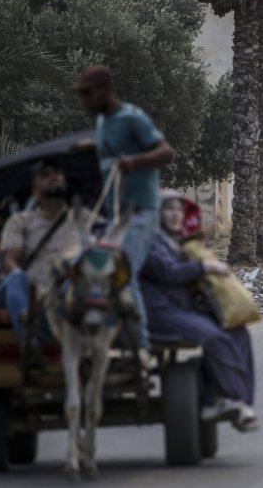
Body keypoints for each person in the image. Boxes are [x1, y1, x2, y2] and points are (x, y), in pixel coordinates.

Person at [73, 66, 173, 350]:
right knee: (89, 275)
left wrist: (134, 162)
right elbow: (109, 149)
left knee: (123, 275)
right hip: (115, 216)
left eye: (87, 96)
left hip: (141, 211)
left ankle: (139, 350)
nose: (84, 103)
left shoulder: (133, 117)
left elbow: (165, 152)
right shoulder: (104, 122)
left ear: (104, 91)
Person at [140, 191, 258, 430]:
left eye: (179, 210)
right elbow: (169, 272)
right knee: (216, 338)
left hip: (184, 310)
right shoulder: (151, 241)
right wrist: (205, 266)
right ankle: (231, 399)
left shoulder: (179, 242)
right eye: (169, 209)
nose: (175, 214)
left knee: (238, 331)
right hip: (162, 312)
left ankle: (237, 401)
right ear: (158, 214)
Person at [0, 160, 84, 347]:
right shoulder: (20, 221)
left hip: (66, 292)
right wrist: (23, 278)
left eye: (58, 173)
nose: (54, 177)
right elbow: (10, 260)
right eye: (45, 175)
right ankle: (29, 344)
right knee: (15, 278)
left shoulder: (83, 219)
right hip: (29, 292)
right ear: (35, 190)